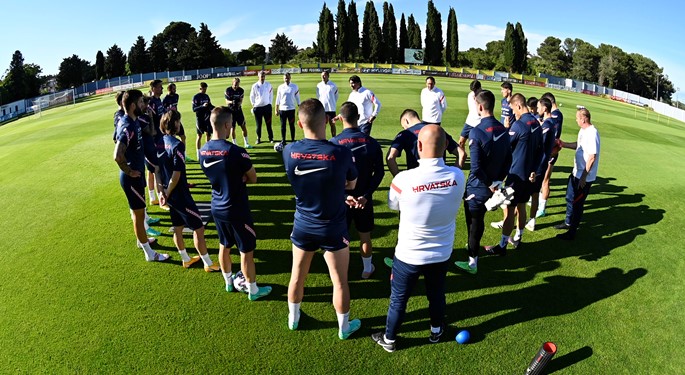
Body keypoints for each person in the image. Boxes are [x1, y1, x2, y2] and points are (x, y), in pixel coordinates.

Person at [371, 125, 465, 352]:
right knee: (436, 294)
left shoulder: (403, 179)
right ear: (445, 148)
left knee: (399, 299)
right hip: (441, 253)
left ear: (418, 146)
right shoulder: (458, 176)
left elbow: (394, 205)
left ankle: (390, 339)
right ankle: (436, 331)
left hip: (408, 254)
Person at [283, 98, 361, 340]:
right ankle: (343, 328)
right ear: (327, 121)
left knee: (297, 275)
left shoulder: (288, 151)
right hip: (333, 227)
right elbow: (351, 184)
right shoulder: (341, 152)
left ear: (298, 123)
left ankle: (293, 319)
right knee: (340, 282)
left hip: (303, 224)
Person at [200, 106, 272, 300]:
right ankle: (253, 290)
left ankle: (228, 282)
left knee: (224, 245)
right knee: (246, 250)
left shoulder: (203, 150)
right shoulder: (235, 151)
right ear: (226, 124)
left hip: (217, 206)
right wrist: (239, 176)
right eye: (231, 123)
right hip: (237, 208)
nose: (232, 125)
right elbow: (253, 178)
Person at [454, 90, 510, 275]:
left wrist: (490, 184)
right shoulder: (504, 130)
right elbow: (508, 160)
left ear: (479, 106)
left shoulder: (476, 132)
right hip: (492, 187)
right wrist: (497, 182)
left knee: (473, 222)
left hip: (478, 187)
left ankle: (472, 262)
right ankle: (473, 249)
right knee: (479, 221)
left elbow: (476, 168)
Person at [158, 109, 220, 272]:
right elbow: (176, 175)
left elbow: (155, 171)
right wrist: (169, 192)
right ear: (174, 124)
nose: (180, 124)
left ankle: (185, 259)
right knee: (198, 228)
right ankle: (208, 263)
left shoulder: (158, 142)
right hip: (179, 195)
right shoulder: (178, 145)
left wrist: (161, 192)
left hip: (168, 194)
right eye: (178, 121)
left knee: (177, 227)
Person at [330, 101, 385, 279]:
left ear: (340, 118)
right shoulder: (372, 143)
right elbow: (380, 172)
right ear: (359, 117)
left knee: (341, 237)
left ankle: (341, 271)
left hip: (341, 200)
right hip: (364, 200)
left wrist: (345, 195)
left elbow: (330, 176)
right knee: (365, 235)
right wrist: (367, 195)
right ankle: (367, 269)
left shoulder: (334, 144)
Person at [113, 89, 169, 262]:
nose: (144, 104)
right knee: (138, 216)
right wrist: (129, 171)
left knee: (138, 212)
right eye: (141, 102)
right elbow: (117, 155)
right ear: (132, 105)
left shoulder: (134, 121)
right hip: (132, 178)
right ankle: (150, 253)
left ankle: (141, 241)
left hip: (135, 176)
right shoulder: (128, 125)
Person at [487, 93, 541, 253]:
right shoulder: (536, 123)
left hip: (516, 174)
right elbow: (541, 150)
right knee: (522, 206)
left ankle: (502, 246)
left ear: (518, 105)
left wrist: (505, 129)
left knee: (509, 210)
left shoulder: (519, 125)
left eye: (513, 109)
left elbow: (505, 146)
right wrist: (535, 170)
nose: (513, 113)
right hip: (529, 175)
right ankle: (518, 238)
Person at [554, 108, 600, 240]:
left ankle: (572, 232)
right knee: (569, 197)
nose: (576, 120)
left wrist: (584, 177)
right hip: (576, 173)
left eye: (577, 118)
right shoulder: (583, 131)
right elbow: (578, 145)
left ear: (583, 118)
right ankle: (568, 222)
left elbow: (592, 157)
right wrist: (564, 144)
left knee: (578, 204)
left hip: (583, 177)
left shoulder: (592, 133)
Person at [386, 109, 460, 177]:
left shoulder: (405, 134)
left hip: (416, 181)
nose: (405, 128)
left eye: (404, 126)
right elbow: (462, 154)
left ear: (406, 121)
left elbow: (390, 157)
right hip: (440, 179)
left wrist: (398, 179)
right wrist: (455, 174)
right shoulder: (438, 131)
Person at [526, 97, 556, 231]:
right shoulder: (550, 123)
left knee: (525, 194)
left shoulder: (547, 125)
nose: (537, 110)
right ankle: (531, 221)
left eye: (538, 107)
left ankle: (511, 221)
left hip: (538, 165)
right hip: (541, 164)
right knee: (534, 193)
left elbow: (539, 145)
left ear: (544, 108)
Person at [536, 92, 564, 218]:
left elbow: (553, 136)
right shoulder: (556, 115)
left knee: (545, 180)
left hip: (550, 151)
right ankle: (538, 201)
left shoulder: (555, 115)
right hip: (550, 150)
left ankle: (542, 207)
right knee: (542, 179)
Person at [457, 80, 482, 168]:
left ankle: (477, 163)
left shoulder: (483, 96)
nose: (474, 92)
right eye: (473, 90)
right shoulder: (470, 95)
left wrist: (477, 100)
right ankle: (462, 160)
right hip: (469, 122)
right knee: (461, 142)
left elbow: (480, 112)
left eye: (475, 90)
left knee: (475, 144)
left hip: (479, 123)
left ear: (479, 88)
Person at [224, 77, 252, 149]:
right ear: (232, 83)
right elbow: (226, 101)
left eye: (238, 84)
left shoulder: (241, 90)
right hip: (231, 111)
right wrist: (232, 102)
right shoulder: (228, 90)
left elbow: (241, 100)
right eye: (235, 84)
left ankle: (246, 143)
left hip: (239, 111)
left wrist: (238, 103)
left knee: (243, 126)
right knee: (232, 128)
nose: (236, 86)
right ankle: (234, 144)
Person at [275, 72, 301, 144]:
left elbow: (298, 98)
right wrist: (276, 109)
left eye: (288, 77)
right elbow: (278, 98)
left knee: (292, 125)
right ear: (283, 78)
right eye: (285, 77)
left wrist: (300, 108)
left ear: (290, 78)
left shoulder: (294, 86)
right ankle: (283, 140)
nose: (286, 78)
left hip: (291, 109)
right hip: (282, 109)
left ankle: (293, 139)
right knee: (283, 126)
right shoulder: (280, 87)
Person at [249, 70, 274, 144]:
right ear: (258, 76)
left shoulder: (268, 85)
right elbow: (251, 96)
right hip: (258, 107)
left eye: (263, 76)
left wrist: (270, 103)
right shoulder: (255, 86)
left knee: (268, 124)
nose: (262, 78)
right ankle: (258, 138)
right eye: (261, 76)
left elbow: (271, 95)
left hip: (267, 107)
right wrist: (253, 105)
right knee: (258, 125)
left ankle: (271, 138)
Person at [192, 82, 214, 160]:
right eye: (203, 89)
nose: (205, 90)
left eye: (205, 89)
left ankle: (207, 151)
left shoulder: (206, 96)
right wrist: (202, 106)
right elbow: (194, 109)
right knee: (199, 136)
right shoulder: (196, 97)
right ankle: (198, 154)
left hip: (207, 118)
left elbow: (210, 106)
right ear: (200, 88)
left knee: (208, 135)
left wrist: (216, 108)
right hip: (200, 119)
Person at [316, 70, 339, 137]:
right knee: (323, 125)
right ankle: (323, 139)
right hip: (322, 108)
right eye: (322, 75)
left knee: (332, 124)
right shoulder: (319, 85)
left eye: (325, 75)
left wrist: (332, 102)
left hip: (331, 108)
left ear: (328, 76)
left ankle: (334, 138)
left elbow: (336, 96)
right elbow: (318, 95)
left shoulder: (333, 85)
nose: (323, 77)